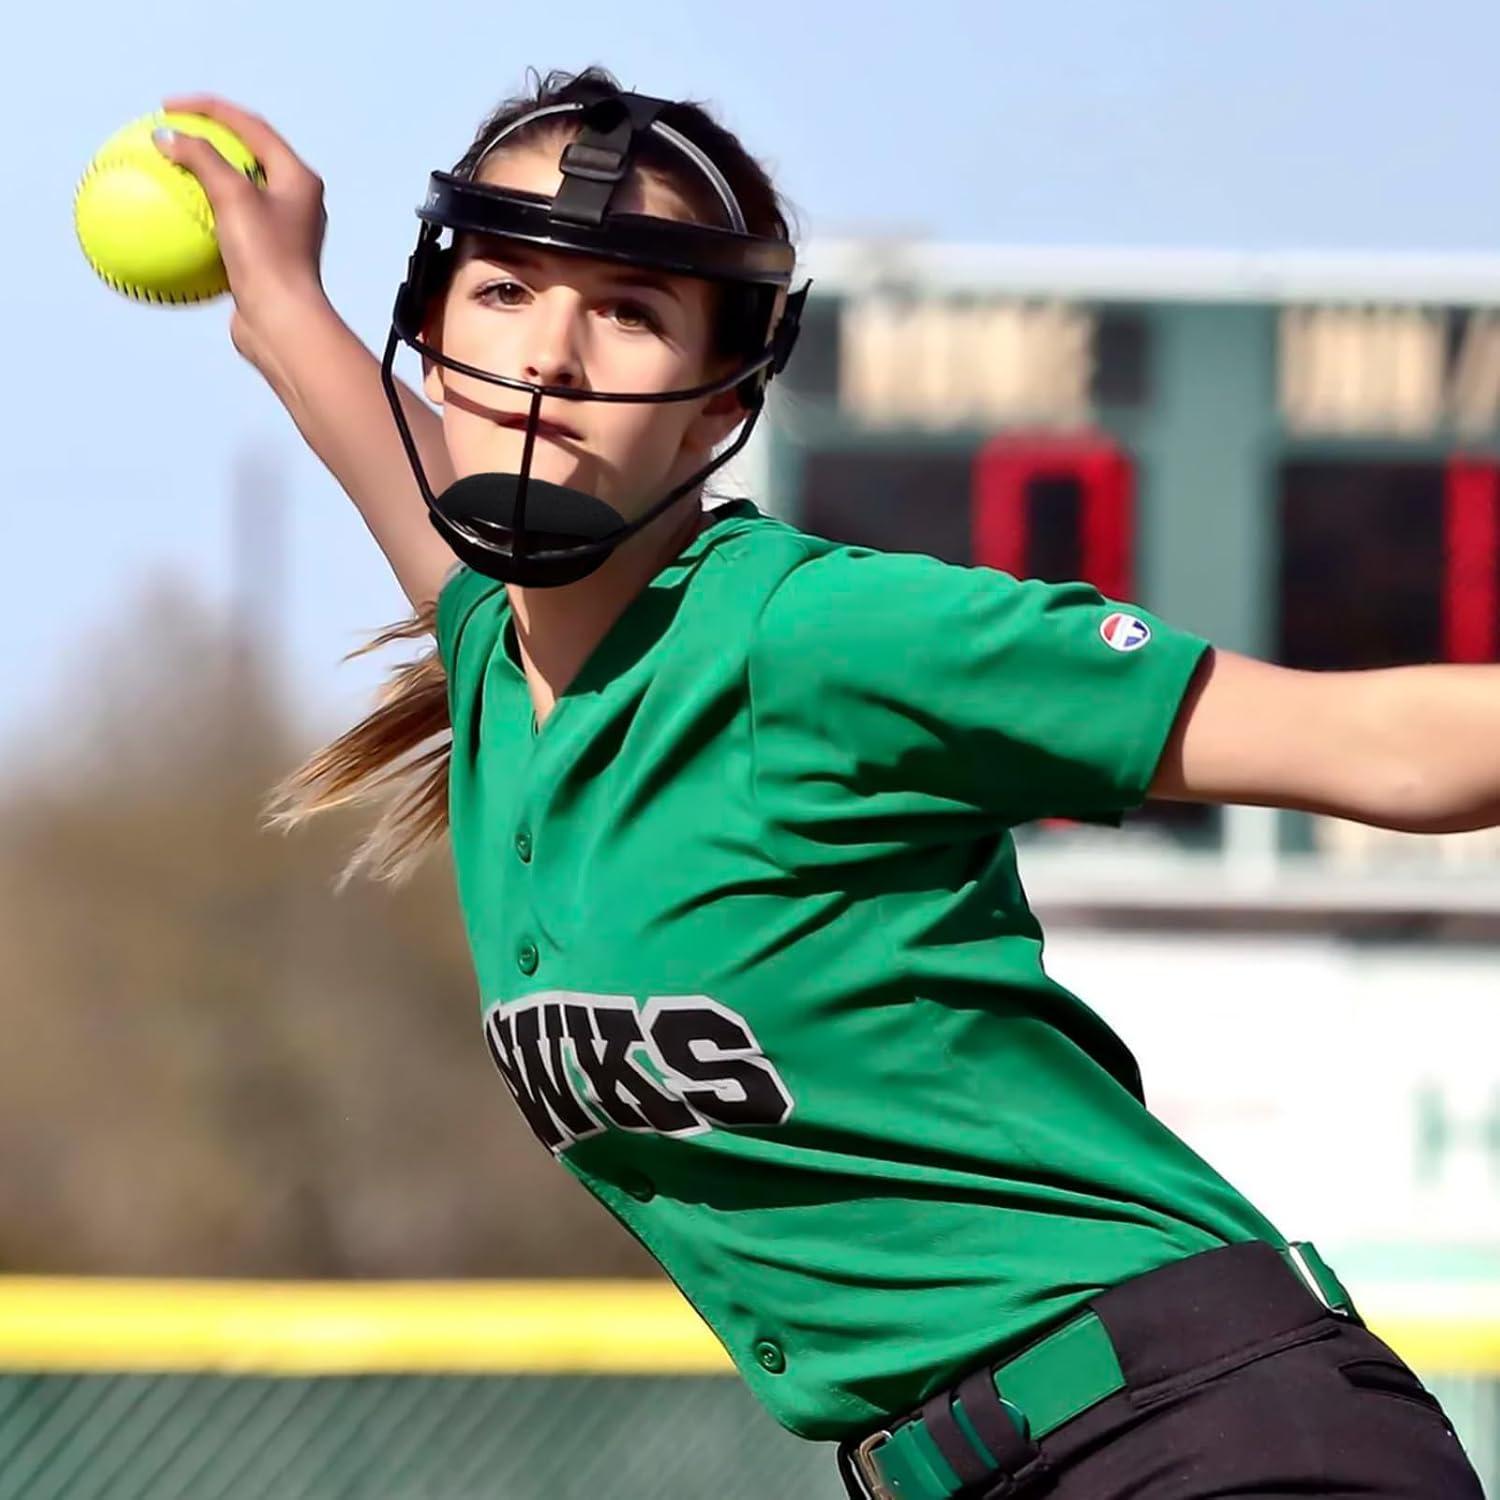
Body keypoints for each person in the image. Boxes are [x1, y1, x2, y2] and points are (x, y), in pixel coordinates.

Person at [152, 67, 1491, 1499]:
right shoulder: (499, 657)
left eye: (630, 308)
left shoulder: (819, 638)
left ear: (716, 406)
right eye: (509, 288)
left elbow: (1382, 748)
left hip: (1203, 1443)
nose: (551, 353)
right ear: (426, 334)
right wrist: (283, 288)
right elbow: (338, 401)